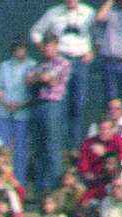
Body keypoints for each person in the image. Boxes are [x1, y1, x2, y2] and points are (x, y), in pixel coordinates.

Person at [30, 0, 98, 146]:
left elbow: (100, 34)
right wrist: (45, 49)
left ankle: (72, 146)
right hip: (59, 63)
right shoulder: (53, 12)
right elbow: (35, 32)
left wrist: (93, 52)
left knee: (77, 105)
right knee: (58, 104)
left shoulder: (89, 13)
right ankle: (58, 146)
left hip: (81, 62)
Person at [26, 34, 73, 193]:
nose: (47, 49)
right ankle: (41, 187)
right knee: (39, 147)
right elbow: (28, 79)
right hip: (37, 104)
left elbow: (46, 77)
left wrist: (40, 78)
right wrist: (41, 78)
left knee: (52, 145)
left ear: (56, 47)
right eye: (45, 46)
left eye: (51, 46)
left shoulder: (62, 63)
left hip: (52, 105)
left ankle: (53, 187)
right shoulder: (38, 64)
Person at [0, 39, 36, 184]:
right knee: (2, 149)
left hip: (22, 114)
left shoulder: (33, 66)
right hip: (4, 112)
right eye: (17, 49)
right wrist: (5, 103)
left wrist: (20, 105)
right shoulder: (4, 66)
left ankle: (19, 184)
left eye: (22, 49)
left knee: (20, 151)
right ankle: (1, 182)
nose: (20, 52)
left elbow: (34, 94)